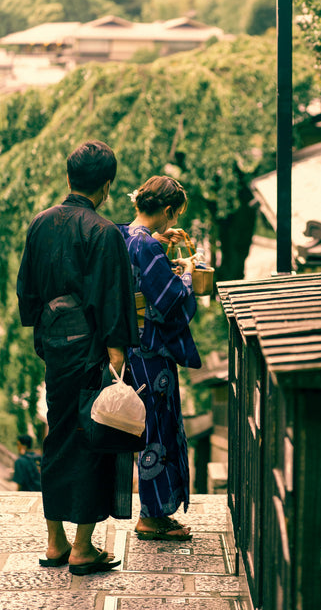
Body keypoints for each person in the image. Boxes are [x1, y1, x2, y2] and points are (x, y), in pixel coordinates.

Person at [17, 140, 139, 575]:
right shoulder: (104, 232)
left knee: (58, 435)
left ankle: (56, 542)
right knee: (92, 437)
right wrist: (117, 357)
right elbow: (112, 300)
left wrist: (45, 336)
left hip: (54, 343)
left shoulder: (40, 223)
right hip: (91, 351)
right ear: (106, 185)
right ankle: (83, 548)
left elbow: (27, 291)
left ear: (69, 178)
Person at [118, 175, 201, 541]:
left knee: (150, 427)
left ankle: (155, 512)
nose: (174, 221)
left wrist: (160, 246)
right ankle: (152, 515)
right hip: (151, 351)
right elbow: (169, 301)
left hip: (131, 347)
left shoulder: (124, 235)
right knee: (158, 431)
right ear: (167, 210)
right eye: (174, 214)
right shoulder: (147, 245)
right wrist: (188, 273)